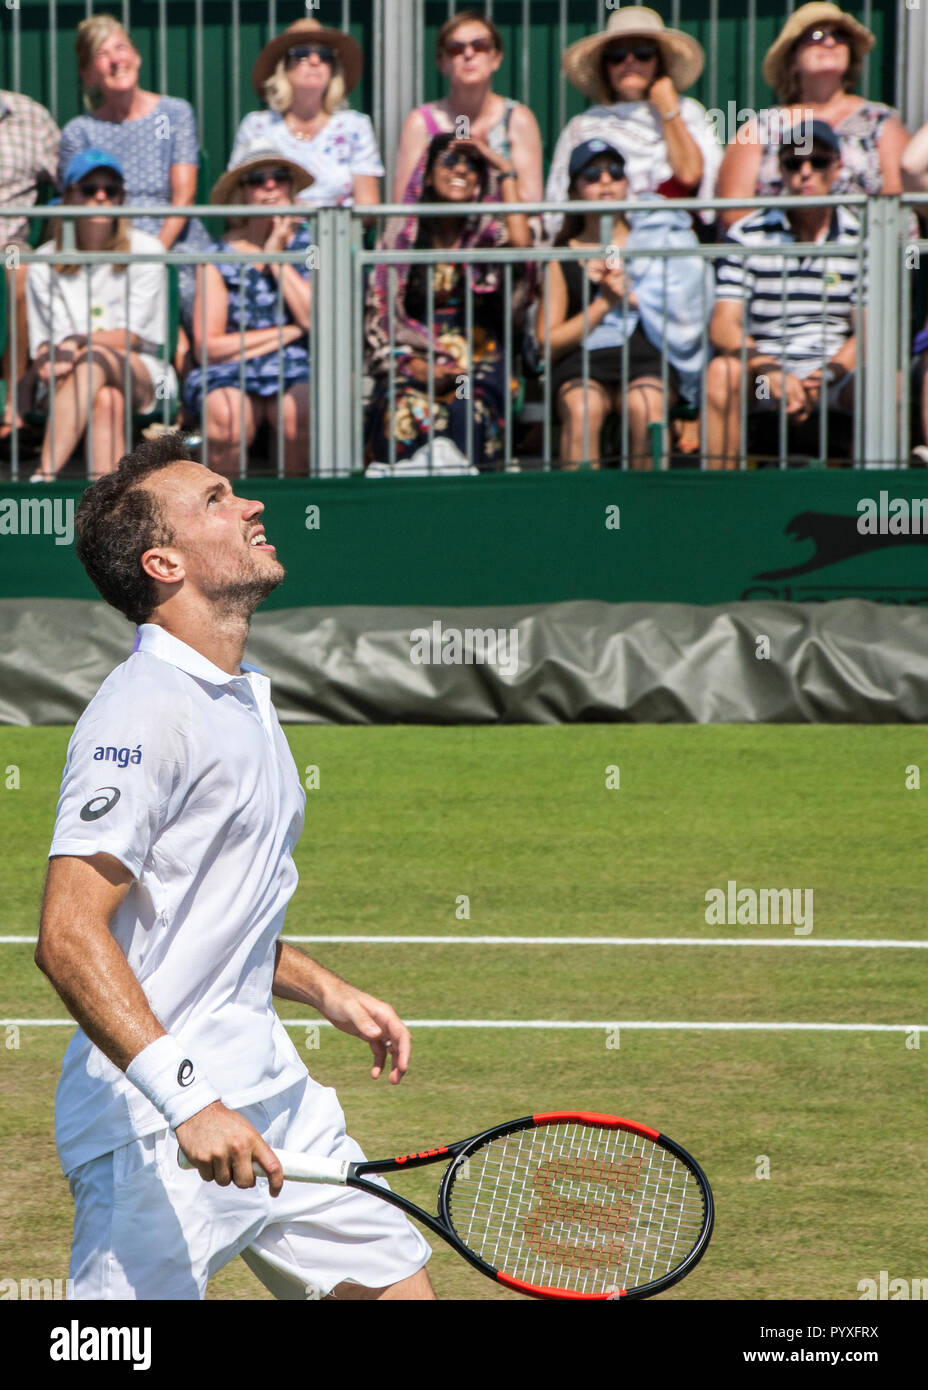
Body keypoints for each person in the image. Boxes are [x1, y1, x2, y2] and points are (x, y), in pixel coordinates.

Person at [34, 432, 435, 1301]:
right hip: (155, 1125)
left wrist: (323, 987)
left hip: (279, 1099)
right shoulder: (141, 713)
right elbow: (67, 935)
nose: (250, 505)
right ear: (163, 563)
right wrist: (190, 1102)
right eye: (215, 500)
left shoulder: (240, 690)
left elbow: (199, 907)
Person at [535, 140, 712, 469]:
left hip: (646, 357)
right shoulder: (561, 257)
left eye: (615, 172)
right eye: (592, 174)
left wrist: (637, 299)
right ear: (573, 191)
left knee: (645, 407)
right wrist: (604, 304)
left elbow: (688, 313)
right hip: (584, 363)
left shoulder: (657, 239)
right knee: (582, 407)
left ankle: (643, 512)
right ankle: (584, 511)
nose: (605, 180)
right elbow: (548, 342)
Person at [365, 132, 532, 471]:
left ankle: (467, 506)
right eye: (450, 161)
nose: (462, 170)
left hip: (476, 359)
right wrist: (415, 365)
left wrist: (503, 167)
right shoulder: (402, 236)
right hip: (413, 357)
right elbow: (380, 316)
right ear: (427, 174)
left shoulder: (487, 235)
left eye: (472, 164)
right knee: (400, 406)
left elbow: (521, 243)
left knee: (465, 405)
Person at [705, 122, 859, 469]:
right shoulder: (748, 234)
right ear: (780, 170)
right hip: (763, 379)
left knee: (884, 383)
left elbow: (870, 333)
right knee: (722, 373)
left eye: (817, 161)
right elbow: (724, 327)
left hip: (835, 379)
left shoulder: (862, 236)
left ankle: (870, 505)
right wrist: (769, 371)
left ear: (837, 166)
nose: (805, 172)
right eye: (794, 163)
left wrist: (825, 376)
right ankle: (714, 504)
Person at [25, 150, 175, 482]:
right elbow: (47, 356)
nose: (102, 196)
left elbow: (132, 338)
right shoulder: (45, 261)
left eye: (112, 189)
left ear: (123, 198)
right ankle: (108, 510)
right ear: (69, 198)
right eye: (89, 188)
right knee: (106, 400)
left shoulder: (148, 250)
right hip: (68, 381)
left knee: (95, 358)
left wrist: (76, 342)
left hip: (142, 372)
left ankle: (43, 476)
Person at [58, 14, 210, 317]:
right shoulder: (80, 131)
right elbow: (78, 206)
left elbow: (183, 196)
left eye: (121, 48)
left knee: (191, 292)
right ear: (88, 74)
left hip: (172, 239)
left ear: (137, 57)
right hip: (106, 245)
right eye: (102, 54)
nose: (116, 60)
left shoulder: (169, 116)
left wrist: (154, 254)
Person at [715, 3, 909, 229]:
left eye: (840, 36)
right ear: (793, 58)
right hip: (777, 259)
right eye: (815, 36)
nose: (829, 42)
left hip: (864, 258)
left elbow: (898, 207)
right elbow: (733, 213)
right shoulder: (760, 127)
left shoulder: (882, 122)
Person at [183, 149, 312, 477]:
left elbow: (314, 319)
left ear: (290, 190)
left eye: (279, 178)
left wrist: (275, 257)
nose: (270, 186)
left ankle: (302, 516)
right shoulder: (216, 255)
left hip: (298, 365)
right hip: (228, 369)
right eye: (257, 180)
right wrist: (291, 332)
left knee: (299, 415)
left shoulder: (312, 246)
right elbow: (209, 348)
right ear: (241, 192)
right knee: (226, 419)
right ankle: (219, 517)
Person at [545, 7, 721, 238]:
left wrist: (669, 110)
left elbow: (690, 174)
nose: (629, 62)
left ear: (659, 61)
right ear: (605, 66)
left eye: (642, 53)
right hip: (605, 251)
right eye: (617, 56)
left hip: (672, 250)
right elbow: (559, 206)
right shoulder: (583, 125)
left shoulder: (688, 111)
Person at [229, 18, 383, 211]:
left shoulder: (355, 126)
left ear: (333, 68)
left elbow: (368, 211)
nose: (314, 60)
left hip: (338, 236)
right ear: (282, 67)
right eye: (301, 54)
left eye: (325, 55)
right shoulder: (256, 126)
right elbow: (236, 203)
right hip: (271, 236)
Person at [392, 9, 543, 204]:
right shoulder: (420, 121)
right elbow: (406, 201)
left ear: (496, 57)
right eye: (456, 48)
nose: (469, 54)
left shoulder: (517, 118)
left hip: (503, 231)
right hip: (439, 232)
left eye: (480, 45)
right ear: (442, 62)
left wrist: (490, 161)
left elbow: (531, 202)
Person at [0, 89, 60, 439]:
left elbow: (71, 184)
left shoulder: (30, 116)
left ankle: (13, 401)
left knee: (22, 271)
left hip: (8, 243)